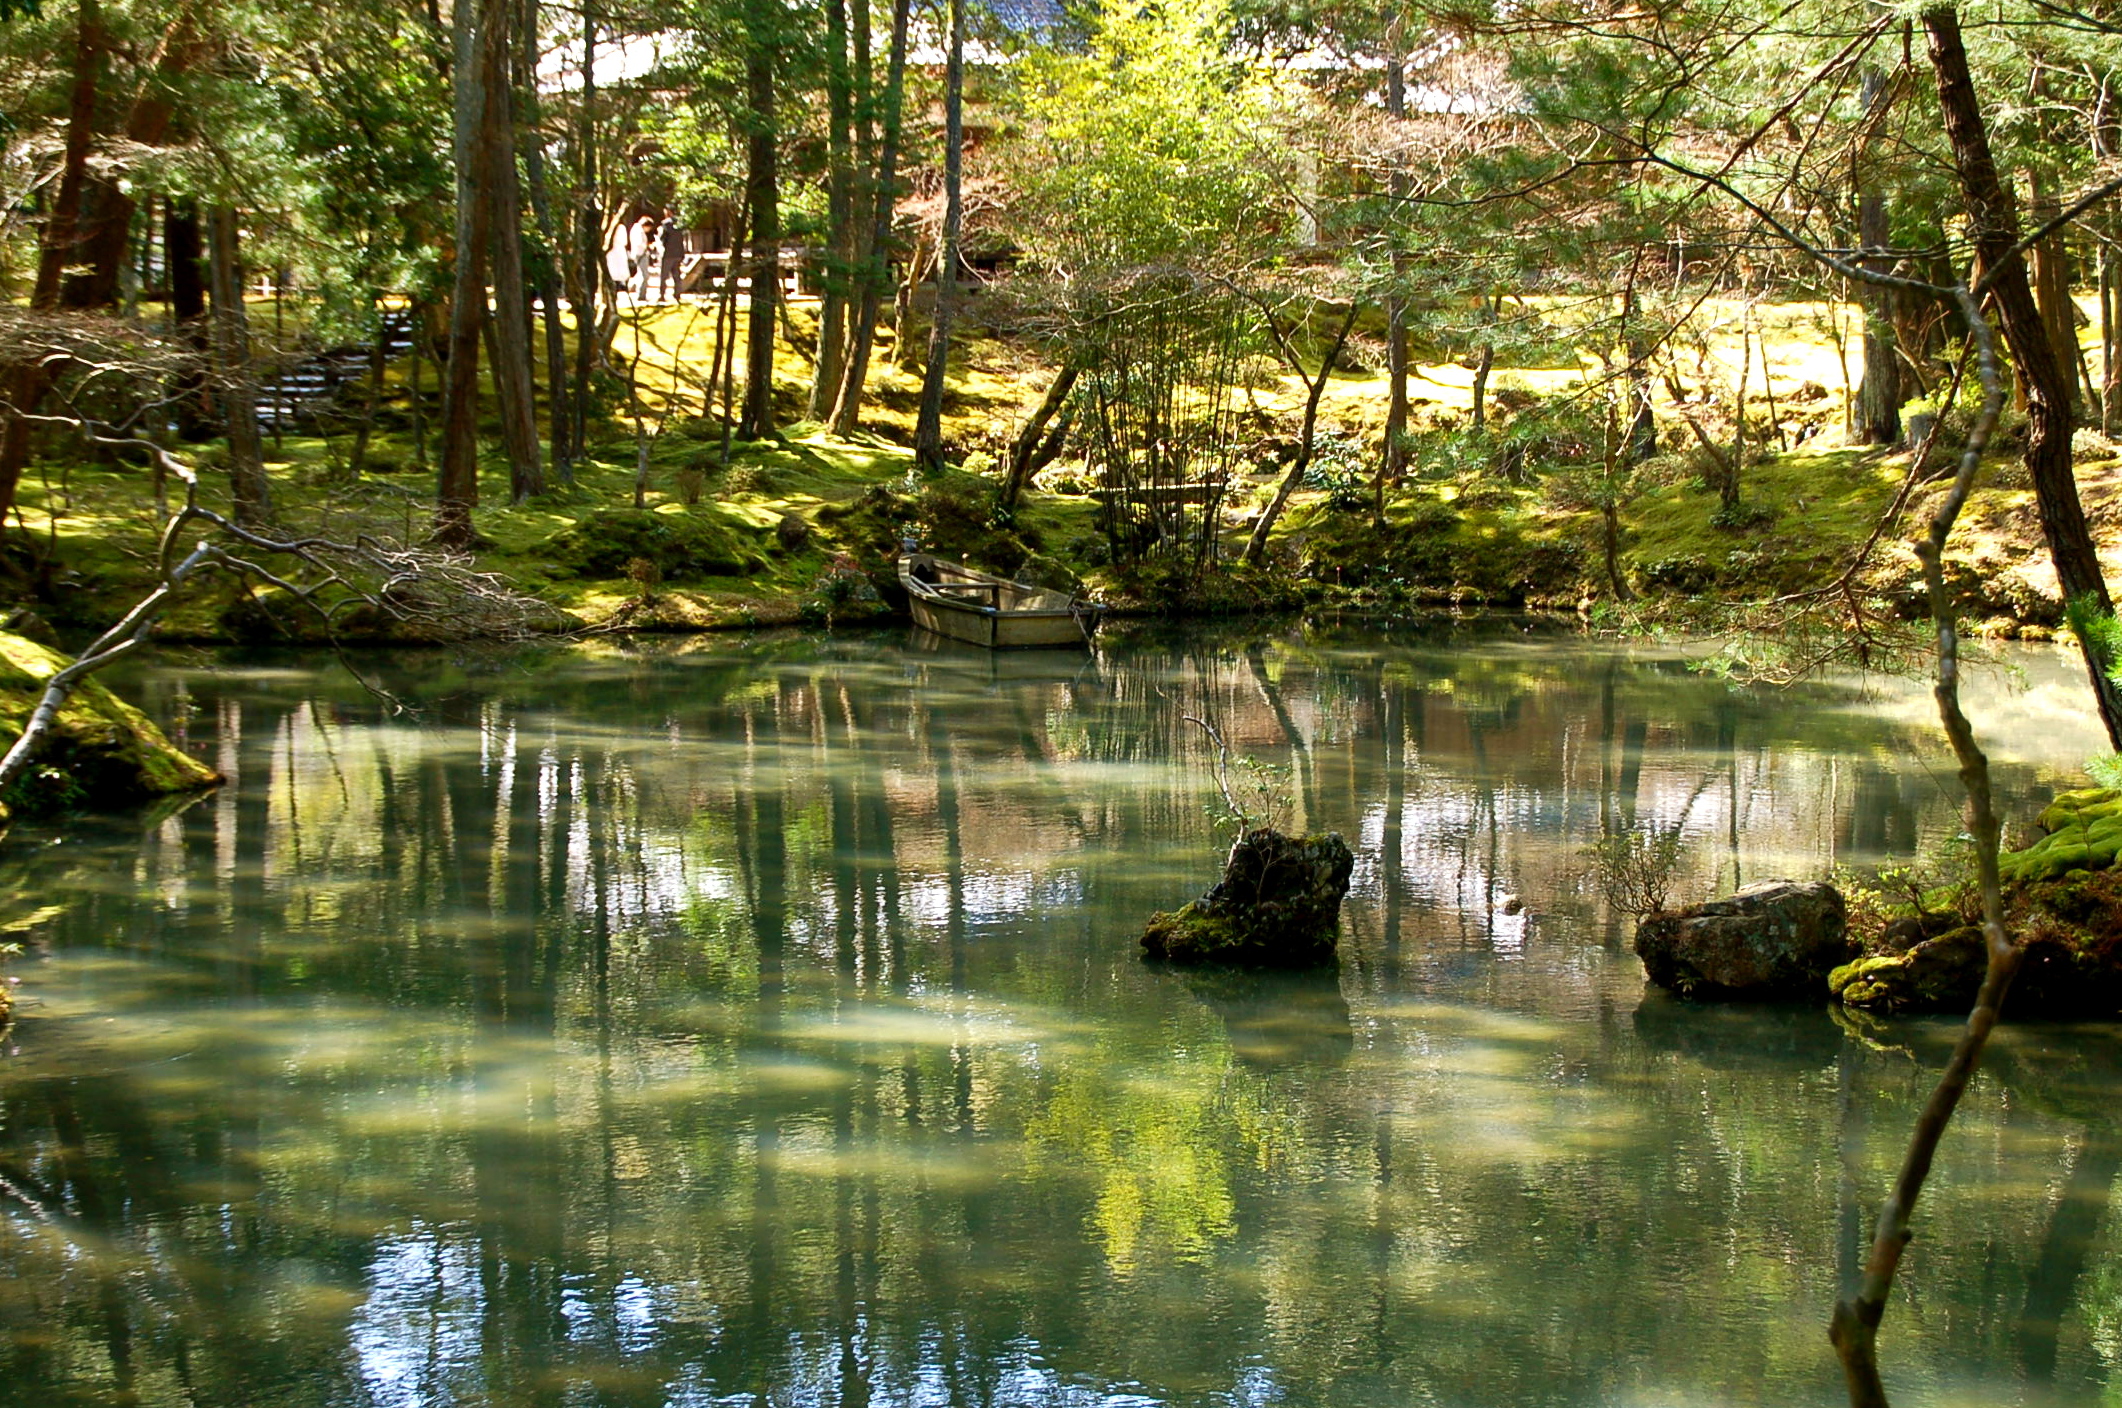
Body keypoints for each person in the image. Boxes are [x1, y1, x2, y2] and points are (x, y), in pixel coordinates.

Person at [656, 216, 687, 302]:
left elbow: (662, 239)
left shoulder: (665, 227)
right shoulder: (679, 228)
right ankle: (677, 294)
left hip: (667, 254)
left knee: (664, 276)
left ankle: (662, 295)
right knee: (677, 276)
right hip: (678, 254)